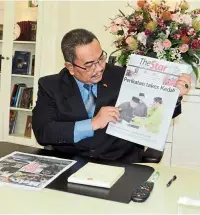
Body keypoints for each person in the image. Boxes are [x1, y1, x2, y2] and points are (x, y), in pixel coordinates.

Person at [32, 28, 191, 164]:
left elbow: (153, 112)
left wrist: (174, 96)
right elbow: (44, 132)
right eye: (89, 65)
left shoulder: (123, 76)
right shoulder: (50, 86)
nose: (99, 68)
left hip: (119, 162)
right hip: (72, 162)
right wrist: (92, 123)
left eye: (101, 58)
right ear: (70, 67)